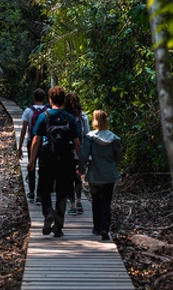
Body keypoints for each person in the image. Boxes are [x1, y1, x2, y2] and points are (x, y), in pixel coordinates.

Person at [28, 86, 81, 238]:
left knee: (44, 189)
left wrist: (32, 160)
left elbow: (36, 140)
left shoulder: (44, 116)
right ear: (63, 100)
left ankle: (48, 213)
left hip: (47, 158)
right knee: (61, 193)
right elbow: (77, 143)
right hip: (65, 159)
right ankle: (58, 228)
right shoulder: (69, 118)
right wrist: (82, 162)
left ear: (50, 100)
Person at [78, 109, 123, 241]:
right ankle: (105, 227)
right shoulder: (114, 138)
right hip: (109, 174)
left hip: (95, 174)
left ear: (94, 121)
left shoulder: (90, 137)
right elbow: (119, 157)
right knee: (106, 202)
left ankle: (97, 227)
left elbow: (84, 155)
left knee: (96, 201)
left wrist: (81, 167)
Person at [18, 88, 49, 204]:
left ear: (34, 98)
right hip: (45, 143)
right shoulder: (48, 111)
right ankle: (40, 195)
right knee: (42, 168)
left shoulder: (28, 111)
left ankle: (31, 192)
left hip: (31, 141)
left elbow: (23, 130)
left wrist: (20, 147)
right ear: (44, 98)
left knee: (31, 165)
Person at [63, 93, 90, 215]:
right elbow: (87, 134)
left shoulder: (64, 116)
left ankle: (72, 205)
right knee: (78, 176)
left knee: (68, 178)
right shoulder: (83, 116)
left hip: (67, 150)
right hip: (80, 149)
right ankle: (79, 201)